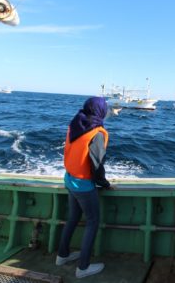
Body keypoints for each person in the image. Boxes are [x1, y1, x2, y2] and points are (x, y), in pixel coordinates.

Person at [55, 96, 111, 278]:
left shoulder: (76, 123)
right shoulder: (97, 133)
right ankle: (83, 267)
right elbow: (96, 164)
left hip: (69, 179)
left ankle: (61, 256)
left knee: (72, 218)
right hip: (83, 185)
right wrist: (104, 183)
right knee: (92, 222)